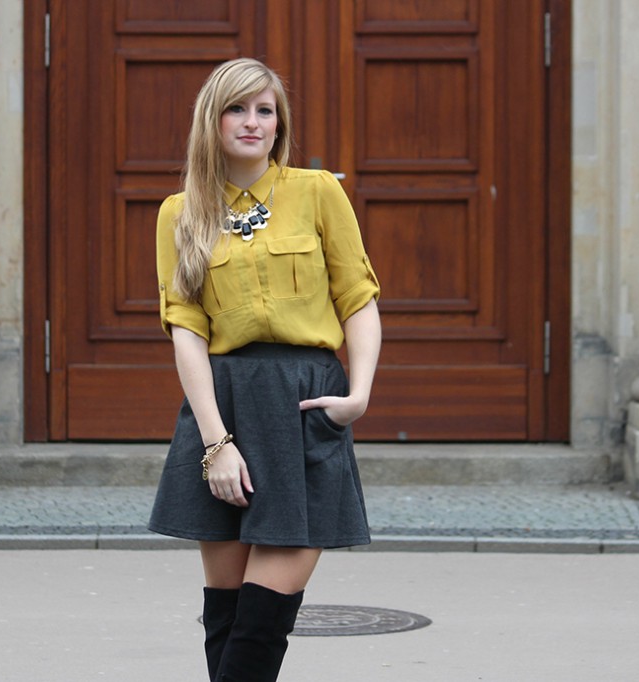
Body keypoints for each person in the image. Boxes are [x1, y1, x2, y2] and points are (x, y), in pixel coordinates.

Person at [148, 57, 382, 682]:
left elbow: (357, 298)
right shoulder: (180, 213)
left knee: (261, 622)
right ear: (212, 120)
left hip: (304, 405)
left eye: (265, 110)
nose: (252, 122)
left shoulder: (317, 191)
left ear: (280, 123)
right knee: (226, 620)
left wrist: (359, 395)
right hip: (224, 405)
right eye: (237, 109)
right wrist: (216, 443)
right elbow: (187, 332)